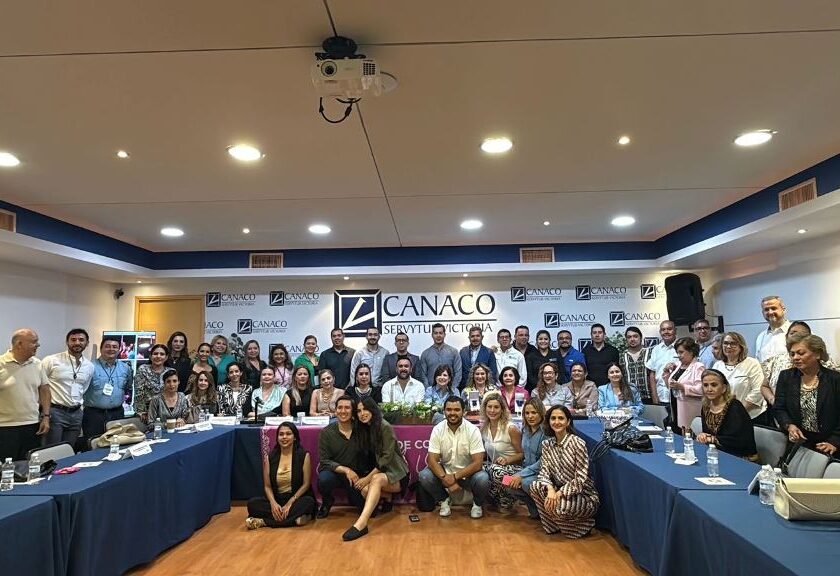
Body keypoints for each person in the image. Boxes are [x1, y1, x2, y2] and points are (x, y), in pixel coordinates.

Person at [344, 398, 409, 541]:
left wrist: (367, 478)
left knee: (375, 479)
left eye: (365, 409)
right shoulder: (362, 428)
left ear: (373, 409)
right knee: (364, 490)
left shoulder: (384, 426)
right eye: (359, 411)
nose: (362, 414)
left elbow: (386, 459)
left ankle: (361, 523)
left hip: (396, 474)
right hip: (378, 475)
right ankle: (387, 497)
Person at [530, 405, 599, 539]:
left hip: (583, 494)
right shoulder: (547, 444)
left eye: (561, 418)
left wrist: (559, 493)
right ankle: (554, 525)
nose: (556, 422)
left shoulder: (578, 443)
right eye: (553, 418)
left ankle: (585, 525)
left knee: (558, 507)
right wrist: (550, 489)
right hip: (557, 490)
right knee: (535, 486)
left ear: (568, 422)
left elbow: (581, 478)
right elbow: (544, 471)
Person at [419, 396, 490, 519]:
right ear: (444, 411)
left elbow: (478, 463)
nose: (452, 413)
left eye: (457, 410)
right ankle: (444, 500)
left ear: (464, 412)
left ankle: (477, 504)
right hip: (446, 473)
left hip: (468, 475)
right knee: (425, 475)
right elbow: (432, 460)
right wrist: (445, 478)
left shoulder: (473, 430)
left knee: (483, 478)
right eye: (449, 410)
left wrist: (454, 477)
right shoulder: (438, 429)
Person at [774, 334, 840, 456]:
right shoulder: (786, 376)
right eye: (792, 354)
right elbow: (779, 408)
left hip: (829, 444)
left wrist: (834, 442)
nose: (795, 357)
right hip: (799, 442)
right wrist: (789, 426)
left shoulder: (835, 379)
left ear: (817, 354)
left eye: (801, 353)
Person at [245, 422, 316, 529]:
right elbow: (267, 486)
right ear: (277, 438)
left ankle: (264, 522)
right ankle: (295, 520)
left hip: (296, 499)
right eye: (281, 434)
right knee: (252, 504)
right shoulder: (270, 457)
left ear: (295, 437)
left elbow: (306, 484)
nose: (284, 437)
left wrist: (291, 502)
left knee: (308, 502)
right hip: (277, 499)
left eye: (288, 434)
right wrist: (273, 503)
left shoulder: (303, 455)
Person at [0, 329, 51, 461]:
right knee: (7, 468)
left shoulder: (37, 364)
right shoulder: (1, 363)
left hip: (32, 425)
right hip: (5, 427)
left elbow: (45, 390)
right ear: (19, 344)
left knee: (30, 465)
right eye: (34, 342)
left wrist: (46, 417)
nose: (38, 345)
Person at [760, 321, 838, 408]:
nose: (796, 336)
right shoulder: (775, 361)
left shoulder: (824, 361)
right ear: (786, 336)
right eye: (792, 333)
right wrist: (773, 400)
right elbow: (764, 386)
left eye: (802, 334)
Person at [41, 328, 95, 446]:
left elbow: (84, 388)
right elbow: (41, 386)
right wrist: (45, 414)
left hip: (76, 414)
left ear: (87, 343)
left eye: (81, 340)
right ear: (67, 342)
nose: (77, 342)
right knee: (51, 449)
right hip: (55, 412)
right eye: (73, 340)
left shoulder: (89, 366)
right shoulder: (51, 360)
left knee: (69, 449)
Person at [317, 396, 367, 518]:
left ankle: (353, 496)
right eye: (340, 407)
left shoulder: (362, 430)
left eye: (347, 408)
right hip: (336, 472)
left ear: (353, 411)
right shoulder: (326, 432)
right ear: (335, 411)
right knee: (324, 480)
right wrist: (346, 470)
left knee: (372, 513)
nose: (343, 411)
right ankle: (327, 501)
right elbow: (324, 461)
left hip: (357, 476)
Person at [696, 369, 758, 461]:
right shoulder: (706, 407)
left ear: (724, 388)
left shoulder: (735, 407)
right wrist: (703, 436)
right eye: (705, 385)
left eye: (714, 385)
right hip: (716, 453)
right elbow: (708, 434)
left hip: (741, 457)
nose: (709, 389)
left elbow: (740, 441)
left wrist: (712, 439)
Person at [481, 391, 524, 513]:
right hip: (494, 467)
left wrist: (507, 460)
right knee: (480, 470)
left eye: (496, 407)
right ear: (485, 409)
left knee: (495, 471)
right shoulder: (484, 429)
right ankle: (496, 499)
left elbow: (522, 454)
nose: (492, 410)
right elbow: (484, 454)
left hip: (514, 469)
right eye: (489, 407)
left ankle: (509, 499)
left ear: (502, 409)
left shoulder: (511, 428)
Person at [83, 335, 134, 438]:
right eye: (107, 346)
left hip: (117, 413)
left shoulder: (125, 368)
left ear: (119, 350)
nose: (111, 349)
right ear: (101, 349)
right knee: (93, 443)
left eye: (115, 347)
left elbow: (128, 386)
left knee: (117, 442)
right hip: (94, 415)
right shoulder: (89, 367)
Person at [503, 398, 546, 518]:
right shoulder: (525, 430)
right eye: (527, 413)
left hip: (542, 472)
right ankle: (534, 508)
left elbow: (544, 461)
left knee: (526, 483)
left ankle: (544, 511)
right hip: (526, 470)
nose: (530, 416)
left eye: (534, 413)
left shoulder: (547, 432)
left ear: (541, 413)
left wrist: (521, 475)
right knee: (506, 481)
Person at [712, 332, 766, 422]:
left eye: (733, 343)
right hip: (725, 416)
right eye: (725, 343)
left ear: (741, 346)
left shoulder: (752, 363)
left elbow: (758, 391)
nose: (728, 346)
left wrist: (738, 412)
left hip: (751, 416)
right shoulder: (717, 366)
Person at [662, 337, 705, 432]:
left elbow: (702, 390)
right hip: (675, 406)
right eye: (677, 352)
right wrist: (666, 372)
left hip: (689, 409)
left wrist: (683, 387)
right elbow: (670, 386)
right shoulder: (678, 365)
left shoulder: (698, 367)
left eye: (681, 352)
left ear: (691, 352)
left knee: (687, 434)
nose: (678, 355)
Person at [419, 324, 462, 389]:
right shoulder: (425, 354)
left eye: (440, 333)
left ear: (444, 335)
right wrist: (429, 390)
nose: (438, 335)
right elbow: (423, 375)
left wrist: (452, 389)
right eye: (436, 333)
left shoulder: (454, 352)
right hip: (431, 392)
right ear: (432, 335)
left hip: (450, 391)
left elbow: (458, 373)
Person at [134, 343, 169, 422]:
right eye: (155, 354)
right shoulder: (143, 369)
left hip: (166, 412)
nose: (158, 356)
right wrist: (141, 412)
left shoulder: (170, 371)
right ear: (150, 356)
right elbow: (139, 393)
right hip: (146, 413)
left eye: (162, 354)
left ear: (166, 357)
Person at [646, 320, 679, 404]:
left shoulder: (682, 347)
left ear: (675, 330)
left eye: (669, 329)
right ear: (660, 332)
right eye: (663, 330)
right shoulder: (656, 349)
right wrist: (654, 396)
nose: (666, 332)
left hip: (678, 397)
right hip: (660, 397)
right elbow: (652, 374)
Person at [619, 326, 653, 403]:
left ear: (640, 338)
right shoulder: (621, 355)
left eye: (635, 336)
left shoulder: (650, 353)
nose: (632, 339)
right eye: (629, 337)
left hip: (649, 397)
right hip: (629, 398)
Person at [755, 295, 791, 362]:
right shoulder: (760, 337)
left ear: (783, 310)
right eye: (766, 309)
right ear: (763, 313)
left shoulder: (797, 332)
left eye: (773, 308)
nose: (770, 312)